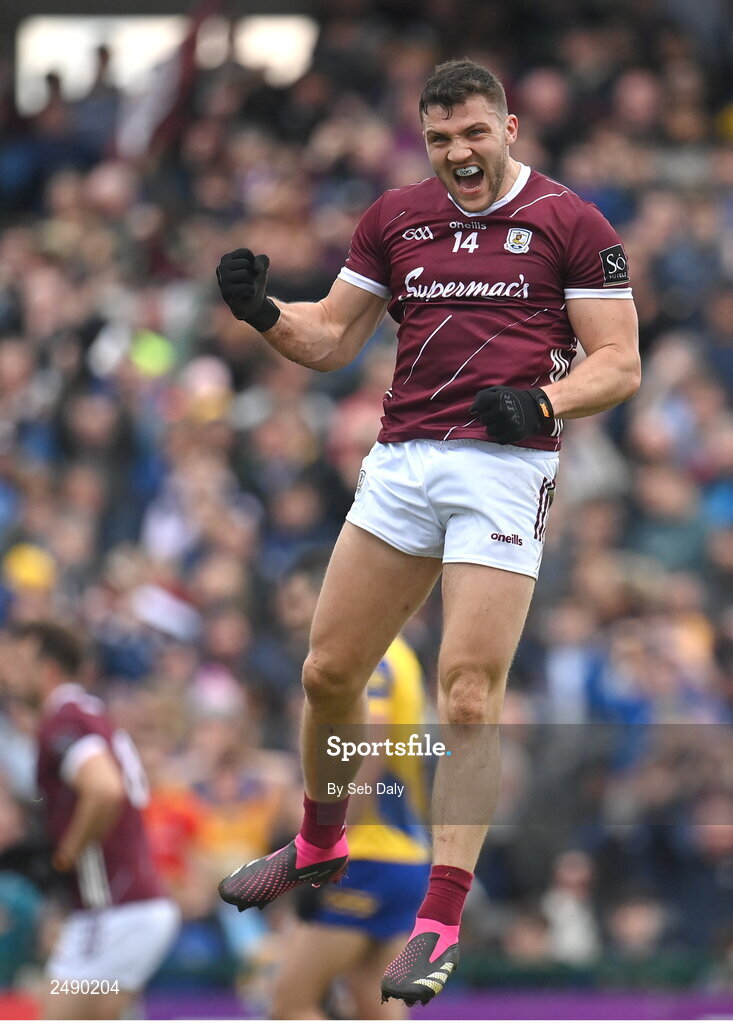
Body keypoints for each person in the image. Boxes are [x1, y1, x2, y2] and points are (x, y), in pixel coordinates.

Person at [216, 58, 640, 1007]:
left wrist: (539, 401)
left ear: (510, 128)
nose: (459, 154)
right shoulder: (393, 217)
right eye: (441, 139)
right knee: (328, 672)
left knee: (465, 691)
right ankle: (322, 842)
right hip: (403, 461)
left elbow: (618, 365)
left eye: (474, 134)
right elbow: (329, 339)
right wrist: (260, 311)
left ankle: (439, 921)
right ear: (425, 140)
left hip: (503, 470)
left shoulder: (572, 223)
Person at [268, 551, 431, 1019]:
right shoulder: (396, 651)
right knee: (373, 1007)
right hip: (403, 856)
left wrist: (324, 850)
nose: (289, 614)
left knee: (289, 1002)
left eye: (298, 600)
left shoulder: (368, 658)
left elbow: (366, 755)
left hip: (365, 855)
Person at [3, 620, 179, 1019]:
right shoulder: (85, 712)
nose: (8, 672)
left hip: (113, 911)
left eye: (18, 661)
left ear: (47, 669)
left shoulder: (61, 719)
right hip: (130, 908)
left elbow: (104, 789)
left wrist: (64, 857)